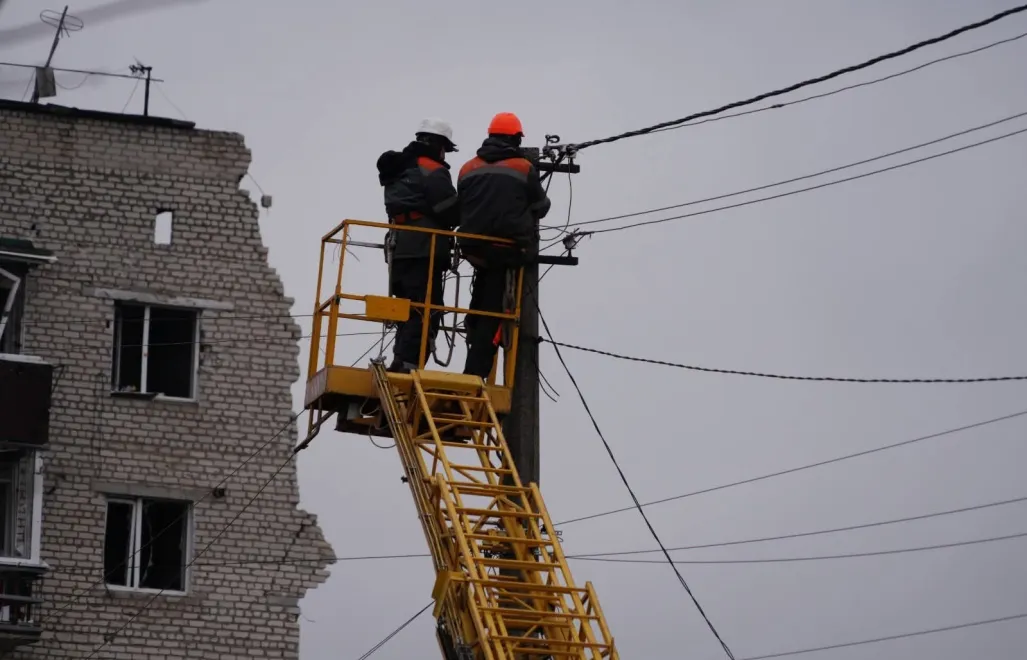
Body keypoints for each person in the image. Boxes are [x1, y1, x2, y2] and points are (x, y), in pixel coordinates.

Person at [456, 112, 551, 379]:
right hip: (508, 248)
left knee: (481, 300)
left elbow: (461, 204)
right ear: (515, 138)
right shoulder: (523, 167)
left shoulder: (467, 168)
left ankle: (472, 342)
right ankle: (475, 372)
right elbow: (541, 206)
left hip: (473, 247)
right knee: (496, 312)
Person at [376, 118, 460, 373]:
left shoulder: (398, 167)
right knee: (426, 308)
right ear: (437, 144)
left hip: (399, 246)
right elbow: (449, 211)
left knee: (405, 306)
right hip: (424, 247)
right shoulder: (432, 170)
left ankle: (401, 359)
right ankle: (408, 364)